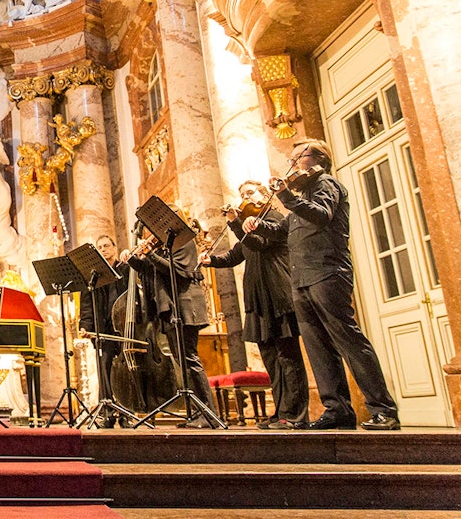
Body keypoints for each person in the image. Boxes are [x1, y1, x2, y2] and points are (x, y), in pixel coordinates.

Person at [247, 139, 400, 430]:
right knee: (318, 347)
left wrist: (287, 197)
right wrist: (253, 224)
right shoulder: (301, 196)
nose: (291, 163)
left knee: (349, 341)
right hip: (301, 278)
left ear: (319, 158)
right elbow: (281, 232)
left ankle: (383, 409)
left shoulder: (326, 184)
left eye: (298, 157)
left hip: (328, 272)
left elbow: (322, 215)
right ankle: (337, 409)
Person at [201, 181, 309, 428]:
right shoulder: (250, 226)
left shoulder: (275, 219)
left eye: (249, 193)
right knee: (271, 358)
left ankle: (296, 416)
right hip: (258, 300)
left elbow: (259, 243)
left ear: (265, 195)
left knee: (288, 357)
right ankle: (281, 412)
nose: (245, 197)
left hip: (278, 296)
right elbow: (235, 255)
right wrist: (211, 261)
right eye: (241, 195)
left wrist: (236, 224)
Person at [124, 217, 220, 427]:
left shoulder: (185, 241)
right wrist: (133, 260)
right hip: (168, 308)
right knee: (181, 360)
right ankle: (197, 411)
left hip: (184, 304)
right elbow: (152, 271)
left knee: (190, 358)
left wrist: (150, 254)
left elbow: (176, 271)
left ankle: (208, 413)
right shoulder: (162, 247)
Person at [78, 235, 128, 425]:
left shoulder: (125, 269)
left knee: (125, 371)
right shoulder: (93, 275)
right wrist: (85, 326)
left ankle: (125, 413)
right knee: (104, 368)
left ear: (114, 248)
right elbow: (86, 304)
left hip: (124, 328)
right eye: (100, 247)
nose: (104, 249)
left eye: (107, 246)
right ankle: (106, 412)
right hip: (103, 328)